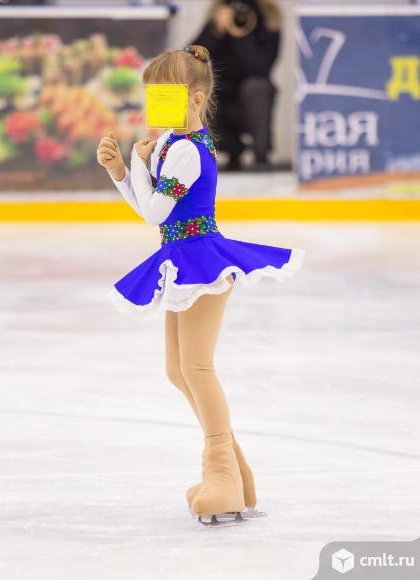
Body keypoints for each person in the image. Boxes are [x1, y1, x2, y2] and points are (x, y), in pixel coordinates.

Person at [97, 44, 305, 524]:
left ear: (193, 98)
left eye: (164, 97)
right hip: (180, 260)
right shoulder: (169, 144)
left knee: (197, 366)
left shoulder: (188, 151)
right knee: (177, 369)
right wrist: (121, 173)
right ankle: (236, 476)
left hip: (202, 262)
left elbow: (155, 211)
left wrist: (134, 165)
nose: (154, 107)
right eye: (151, 97)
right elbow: (150, 209)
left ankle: (222, 474)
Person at [190, 0, 282, 171]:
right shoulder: (218, 15)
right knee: (201, 91)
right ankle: (230, 148)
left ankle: (261, 154)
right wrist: (216, 31)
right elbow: (190, 59)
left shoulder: (269, 18)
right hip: (220, 99)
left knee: (258, 87)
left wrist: (241, 35)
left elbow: (262, 68)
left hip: (252, 102)